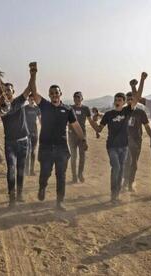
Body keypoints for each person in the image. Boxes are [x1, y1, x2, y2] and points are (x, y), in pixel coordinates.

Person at [29, 63, 86, 211]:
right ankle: (42, 187)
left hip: (61, 148)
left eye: (57, 93)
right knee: (45, 173)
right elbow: (33, 91)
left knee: (61, 176)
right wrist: (33, 73)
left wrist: (83, 139)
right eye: (52, 93)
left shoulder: (67, 109)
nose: (54, 95)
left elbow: (76, 126)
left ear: (61, 94)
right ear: (49, 95)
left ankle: (59, 202)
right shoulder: (44, 105)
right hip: (46, 147)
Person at [95, 89, 138, 203]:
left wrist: (140, 82)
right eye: (116, 100)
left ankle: (116, 194)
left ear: (124, 102)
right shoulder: (109, 114)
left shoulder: (127, 111)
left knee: (121, 169)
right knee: (116, 168)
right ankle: (113, 193)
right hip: (112, 147)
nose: (117, 101)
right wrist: (93, 121)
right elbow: (99, 128)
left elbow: (136, 98)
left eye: (120, 100)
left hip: (124, 147)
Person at [0, 66, 33, 206]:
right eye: (4, 90)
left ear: (13, 91)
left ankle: (19, 194)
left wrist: (32, 74)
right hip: (10, 143)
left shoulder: (19, 101)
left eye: (9, 90)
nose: (7, 92)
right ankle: (12, 197)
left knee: (20, 169)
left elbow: (29, 88)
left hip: (24, 142)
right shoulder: (0, 108)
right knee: (11, 169)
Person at [122, 92, 151, 192]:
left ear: (136, 100)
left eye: (132, 99)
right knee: (126, 162)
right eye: (128, 99)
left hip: (137, 141)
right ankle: (125, 181)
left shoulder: (141, 112)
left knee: (134, 163)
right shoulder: (122, 111)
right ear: (126, 100)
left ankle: (130, 183)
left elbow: (147, 126)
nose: (130, 101)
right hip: (124, 140)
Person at [69, 91, 100, 183]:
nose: (77, 99)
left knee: (82, 156)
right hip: (71, 136)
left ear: (82, 98)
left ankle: (80, 174)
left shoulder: (86, 109)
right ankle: (74, 176)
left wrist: (97, 131)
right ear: (73, 98)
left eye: (79, 97)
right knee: (73, 157)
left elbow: (90, 121)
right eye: (75, 97)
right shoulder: (70, 108)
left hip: (82, 136)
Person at [24, 94, 40, 176]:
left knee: (33, 152)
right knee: (27, 151)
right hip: (26, 133)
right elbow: (22, 120)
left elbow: (40, 120)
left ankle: (32, 170)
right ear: (28, 99)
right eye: (30, 99)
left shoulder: (37, 108)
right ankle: (26, 170)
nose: (32, 100)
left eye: (33, 99)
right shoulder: (25, 108)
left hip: (35, 132)